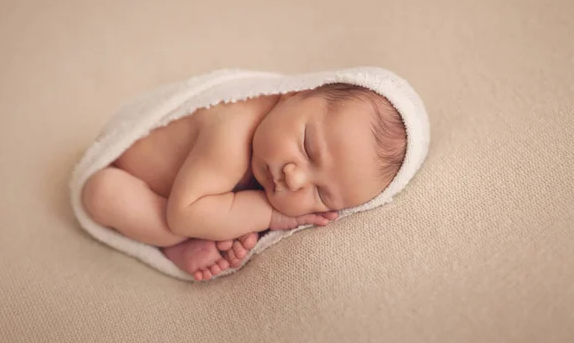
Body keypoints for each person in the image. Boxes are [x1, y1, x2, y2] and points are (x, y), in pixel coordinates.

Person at [82, 83, 407, 281]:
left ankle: (193, 237)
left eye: (321, 194)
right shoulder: (232, 133)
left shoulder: (273, 141)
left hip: (187, 194)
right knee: (101, 192)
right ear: (295, 94)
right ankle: (174, 244)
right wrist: (270, 215)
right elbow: (184, 215)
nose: (294, 178)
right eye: (307, 146)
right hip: (131, 174)